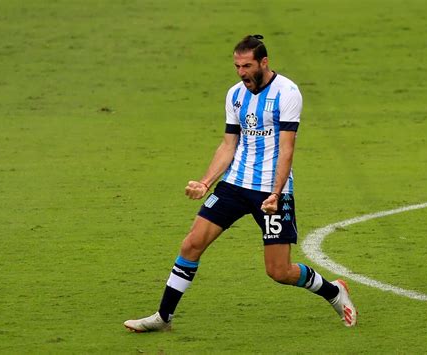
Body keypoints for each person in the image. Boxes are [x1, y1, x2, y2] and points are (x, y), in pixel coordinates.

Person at [124, 35, 357, 332]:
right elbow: (228, 144)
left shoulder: (287, 92)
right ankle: (163, 317)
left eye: (247, 66)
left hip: (272, 192)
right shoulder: (235, 94)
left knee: (279, 271)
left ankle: (334, 291)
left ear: (263, 62)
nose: (241, 72)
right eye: (237, 66)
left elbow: (287, 148)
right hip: (234, 184)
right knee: (192, 243)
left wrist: (276, 193)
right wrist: (206, 181)